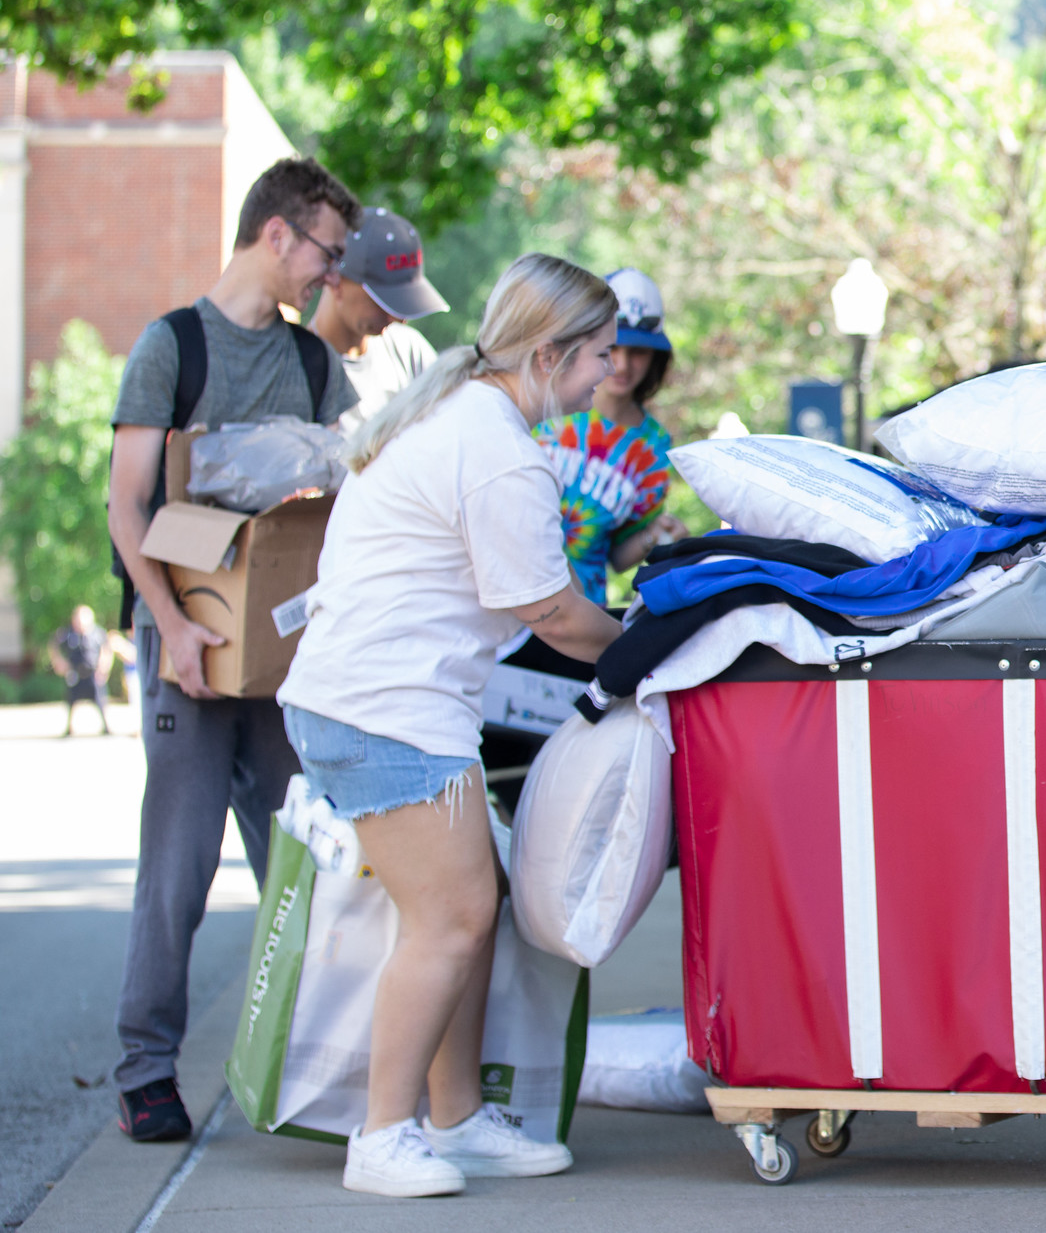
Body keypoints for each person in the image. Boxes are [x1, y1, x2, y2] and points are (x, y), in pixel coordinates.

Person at [275, 253, 624, 1199]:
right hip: (384, 708)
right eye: (598, 354)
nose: (609, 374)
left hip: (385, 699)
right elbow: (549, 610)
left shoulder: (463, 408)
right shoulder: (497, 446)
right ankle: (382, 1136)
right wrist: (639, 646)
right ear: (548, 353)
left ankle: (456, 1117)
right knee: (454, 917)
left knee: (472, 908)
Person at [106, 158, 361, 1142]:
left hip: (283, 652)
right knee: (176, 872)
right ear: (277, 236)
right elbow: (131, 507)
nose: (327, 276)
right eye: (324, 254)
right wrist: (172, 626)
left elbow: (347, 491)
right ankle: (145, 1075)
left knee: (299, 857)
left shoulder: (308, 364)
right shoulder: (172, 347)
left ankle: (310, 1055)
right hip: (189, 646)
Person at [533, 267, 682, 604]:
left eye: (639, 352)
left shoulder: (653, 447)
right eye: (614, 347)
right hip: (510, 598)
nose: (623, 364)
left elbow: (617, 557)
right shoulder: (544, 405)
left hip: (581, 610)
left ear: (657, 357)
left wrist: (653, 536)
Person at [309, 205, 449, 434]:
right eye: (384, 301)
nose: (398, 318)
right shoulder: (296, 371)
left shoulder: (408, 351)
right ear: (335, 278)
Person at [47, 604, 112, 737]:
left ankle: (106, 727)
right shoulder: (67, 633)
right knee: (71, 701)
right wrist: (59, 663)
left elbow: (106, 650)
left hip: (92, 672)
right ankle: (69, 728)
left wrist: (104, 668)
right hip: (75, 673)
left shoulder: (98, 633)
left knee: (100, 701)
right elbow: (53, 646)